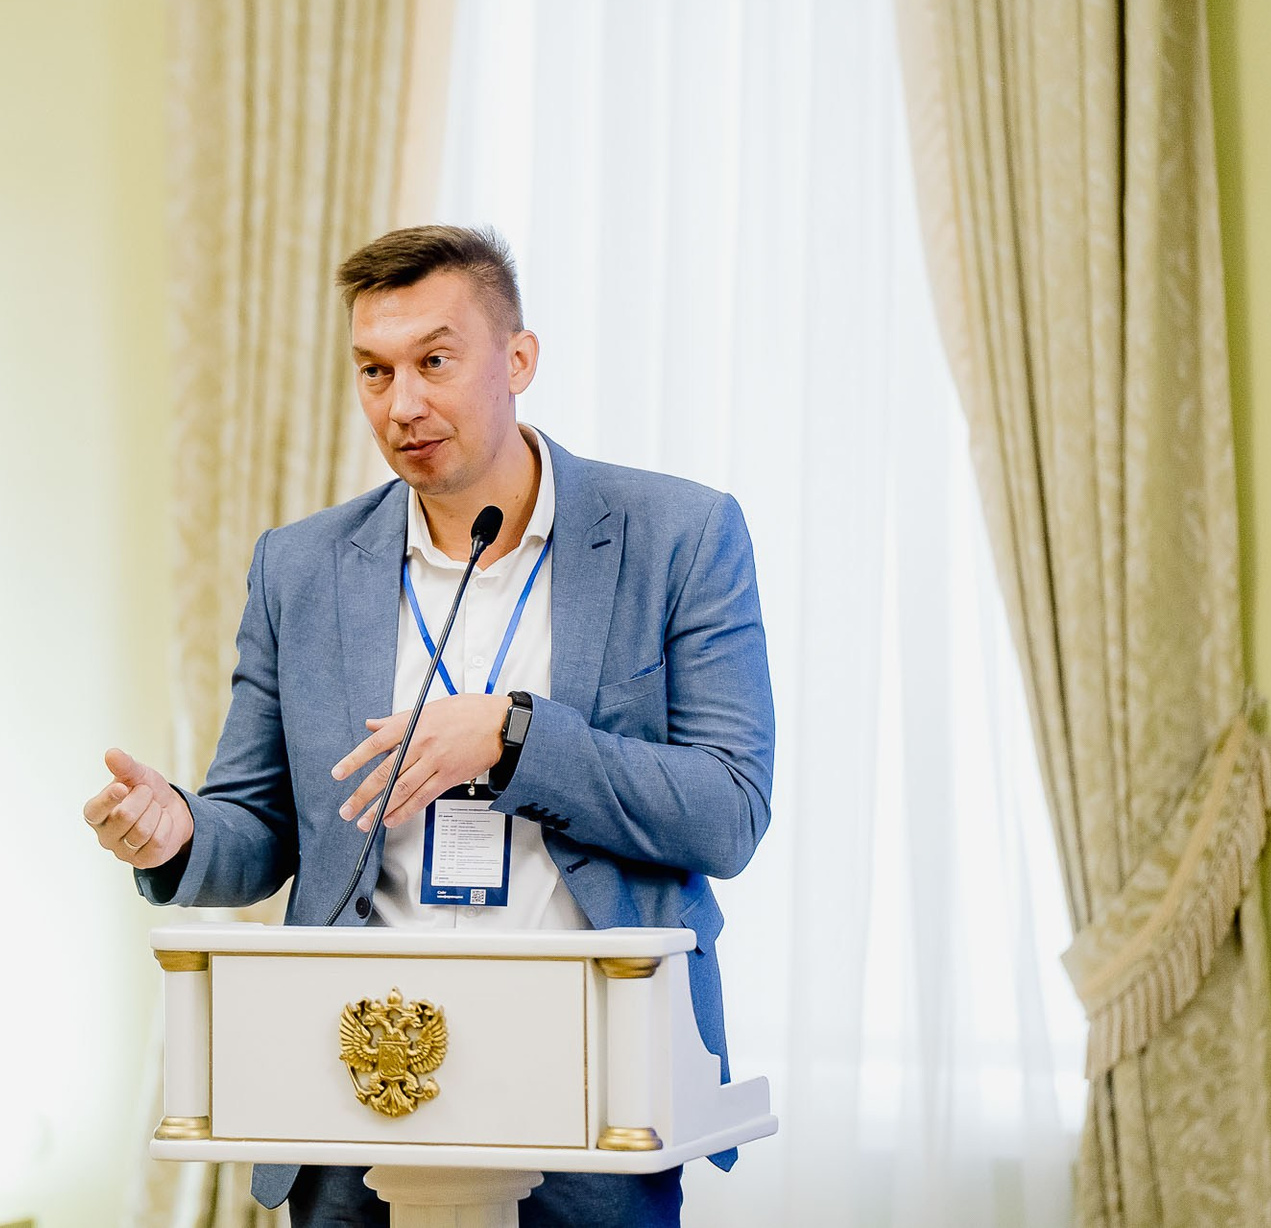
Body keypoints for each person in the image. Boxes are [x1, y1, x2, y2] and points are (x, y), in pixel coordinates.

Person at [83, 225, 774, 1226]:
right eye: (375, 369)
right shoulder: (300, 567)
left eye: (434, 362)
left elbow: (728, 812)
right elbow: (260, 825)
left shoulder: (680, 537)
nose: (401, 403)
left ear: (518, 359)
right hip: (353, 1078)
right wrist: (179, 833)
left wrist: (515, 740)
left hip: (596, 1086)